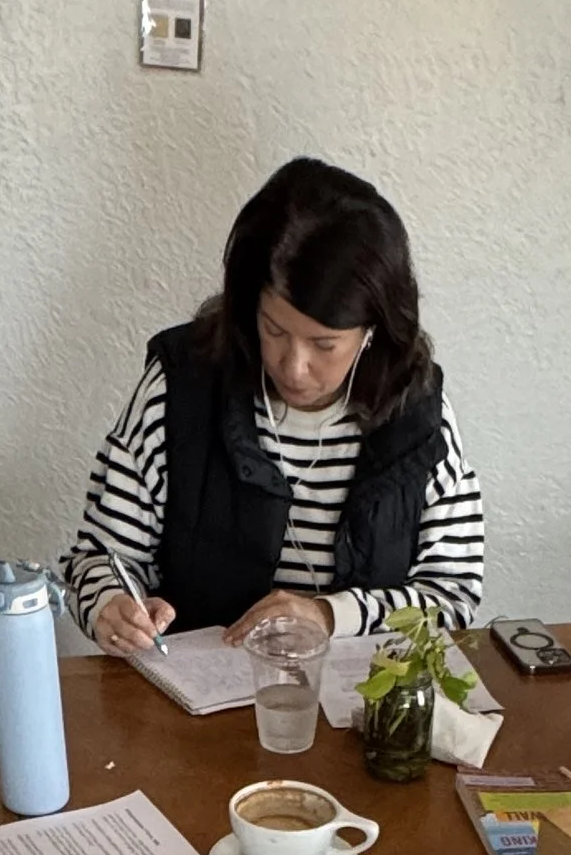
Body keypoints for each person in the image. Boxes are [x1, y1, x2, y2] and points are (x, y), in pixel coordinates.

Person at [64, 154, 486, 658]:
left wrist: (330, 615)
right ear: (249, 308)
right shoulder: (181, 388)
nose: (294, 367)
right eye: (274, 330)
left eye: (324, 344)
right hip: (191, 711)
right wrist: (111, 605)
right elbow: (97, 558)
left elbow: (452, 595)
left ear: (371, 332)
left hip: (360, 714)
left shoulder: (416, 413)